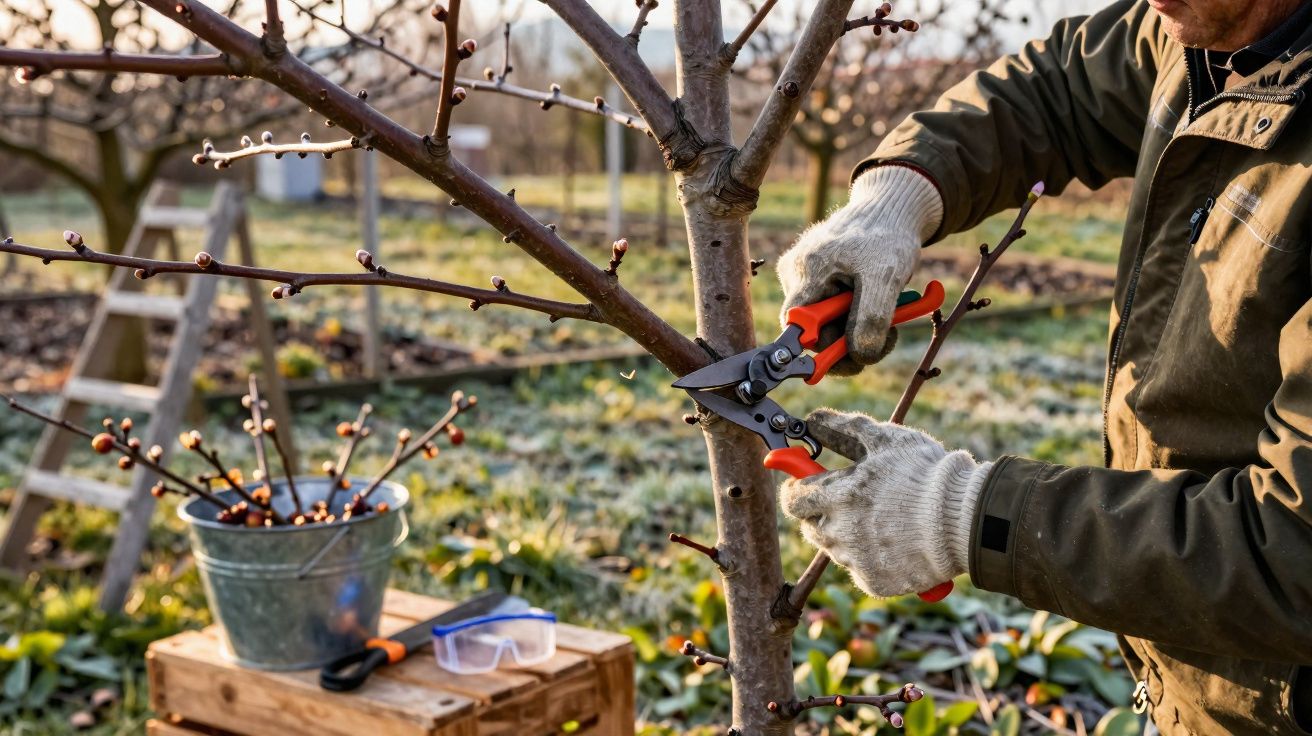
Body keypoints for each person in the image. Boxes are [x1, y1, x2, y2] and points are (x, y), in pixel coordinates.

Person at [774, 1, 1312, 733]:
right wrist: (895, 197)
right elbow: (1056, 91)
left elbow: (1296, 554)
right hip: (1207, 688)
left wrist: (967, 515)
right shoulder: (1208, 27)